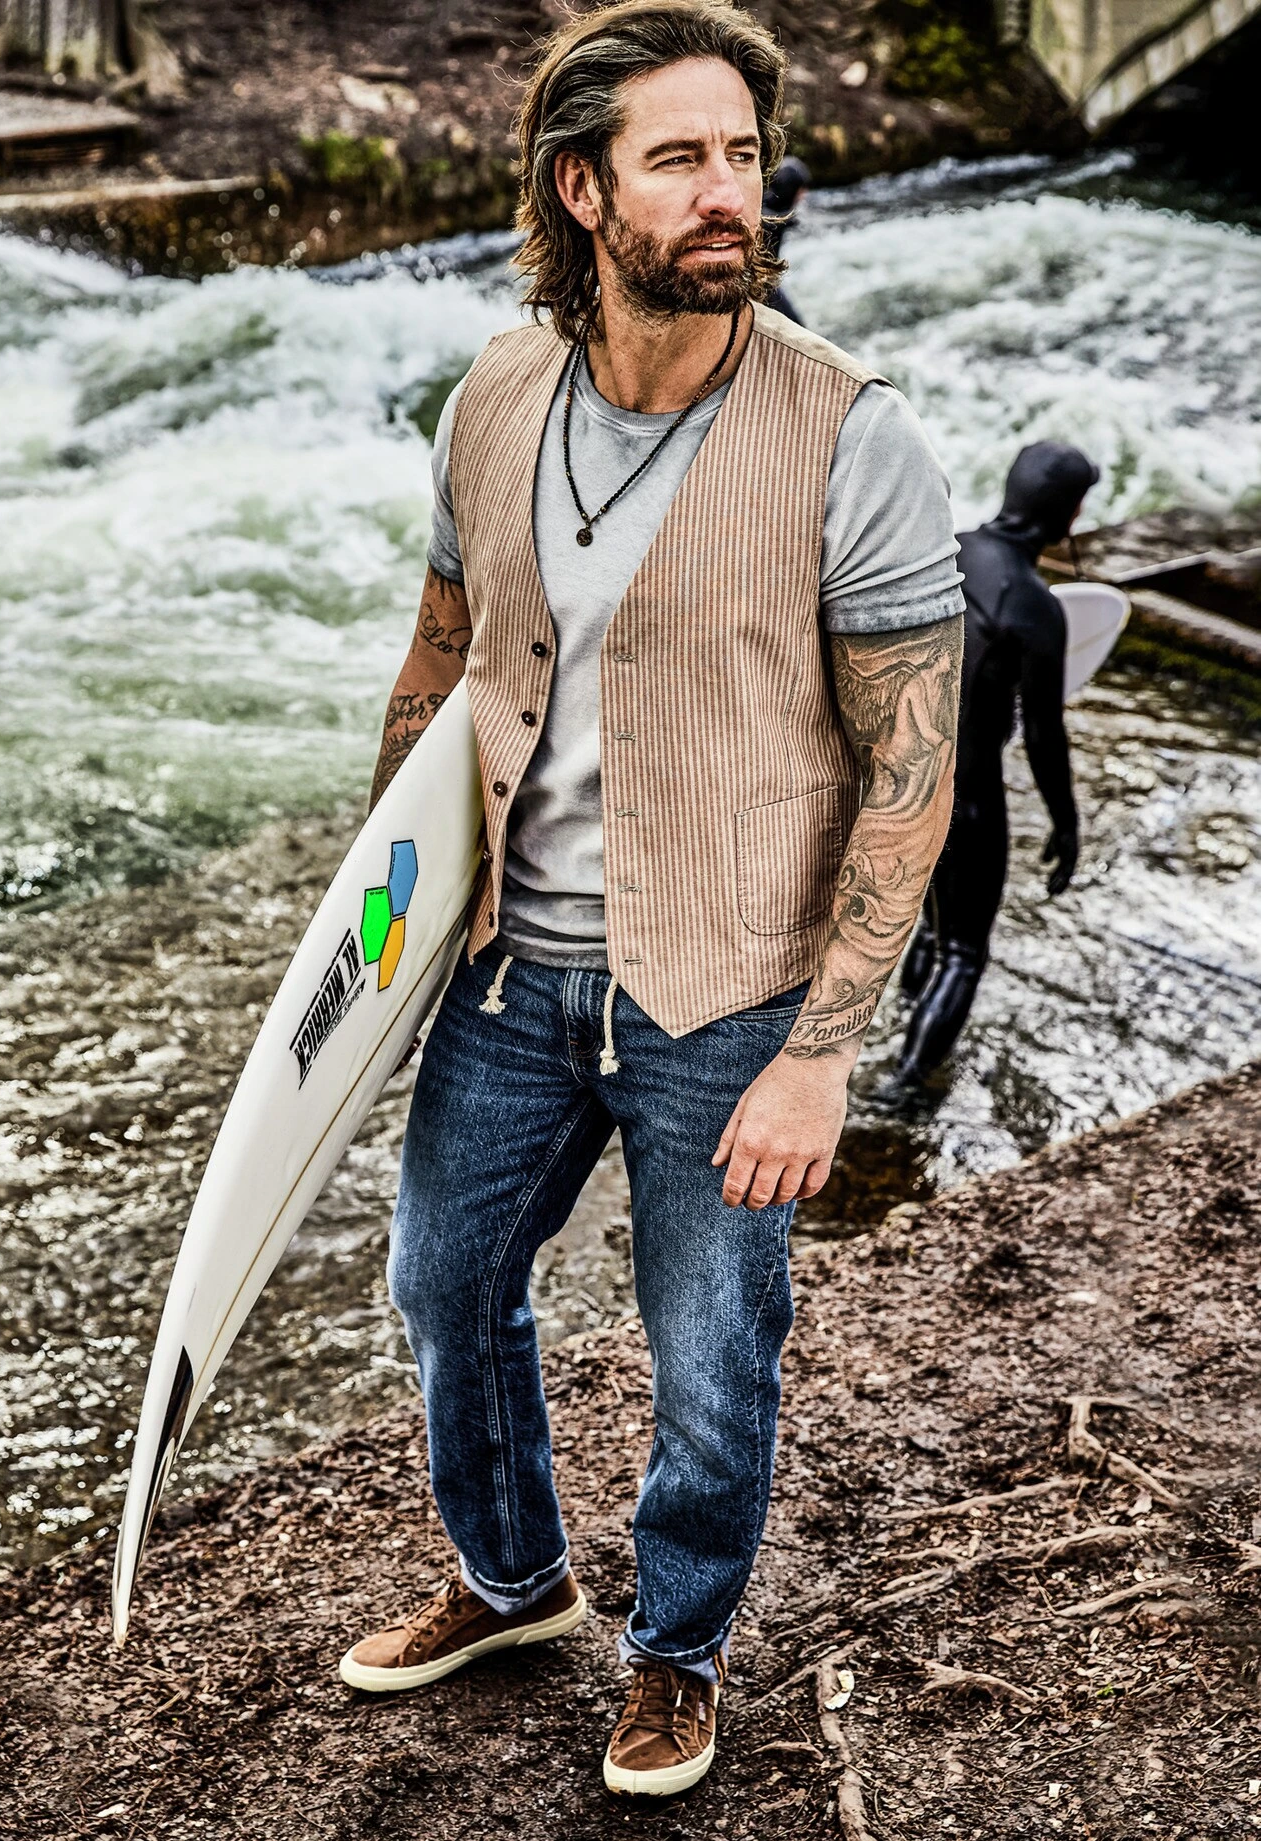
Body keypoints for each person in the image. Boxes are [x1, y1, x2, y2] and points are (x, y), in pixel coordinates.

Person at [340, 0, 964, 1797]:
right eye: (678, 157)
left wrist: (821, 1058)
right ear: (582, 189)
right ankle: (513, 1581)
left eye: (743, 155)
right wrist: (380, 931)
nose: (725, 192)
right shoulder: (493, 397)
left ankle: (675, 1650)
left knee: (710, 1362)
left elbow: (911, 769)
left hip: (729, 994)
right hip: (507, 966)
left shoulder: (852, 434)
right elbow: (443, 658)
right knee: (444, 1288)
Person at [893, 440, 1100, 1087]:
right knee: (962, 952)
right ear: (1069, 514)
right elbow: (1043, 736)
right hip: (967, 796)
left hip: (901, 776)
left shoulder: (943, 549)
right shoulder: (1033, 607)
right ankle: (900, 1090)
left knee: (930, 926)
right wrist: (1066, 825)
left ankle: (899, 1024)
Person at [758, 151, 809, 323]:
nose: (804, 195)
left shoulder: (769, 205)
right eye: (801, 189)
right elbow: (774, 220)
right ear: (791, 188)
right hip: (762, 285)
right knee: (798, 327)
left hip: (767, 282)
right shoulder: (772, 217)